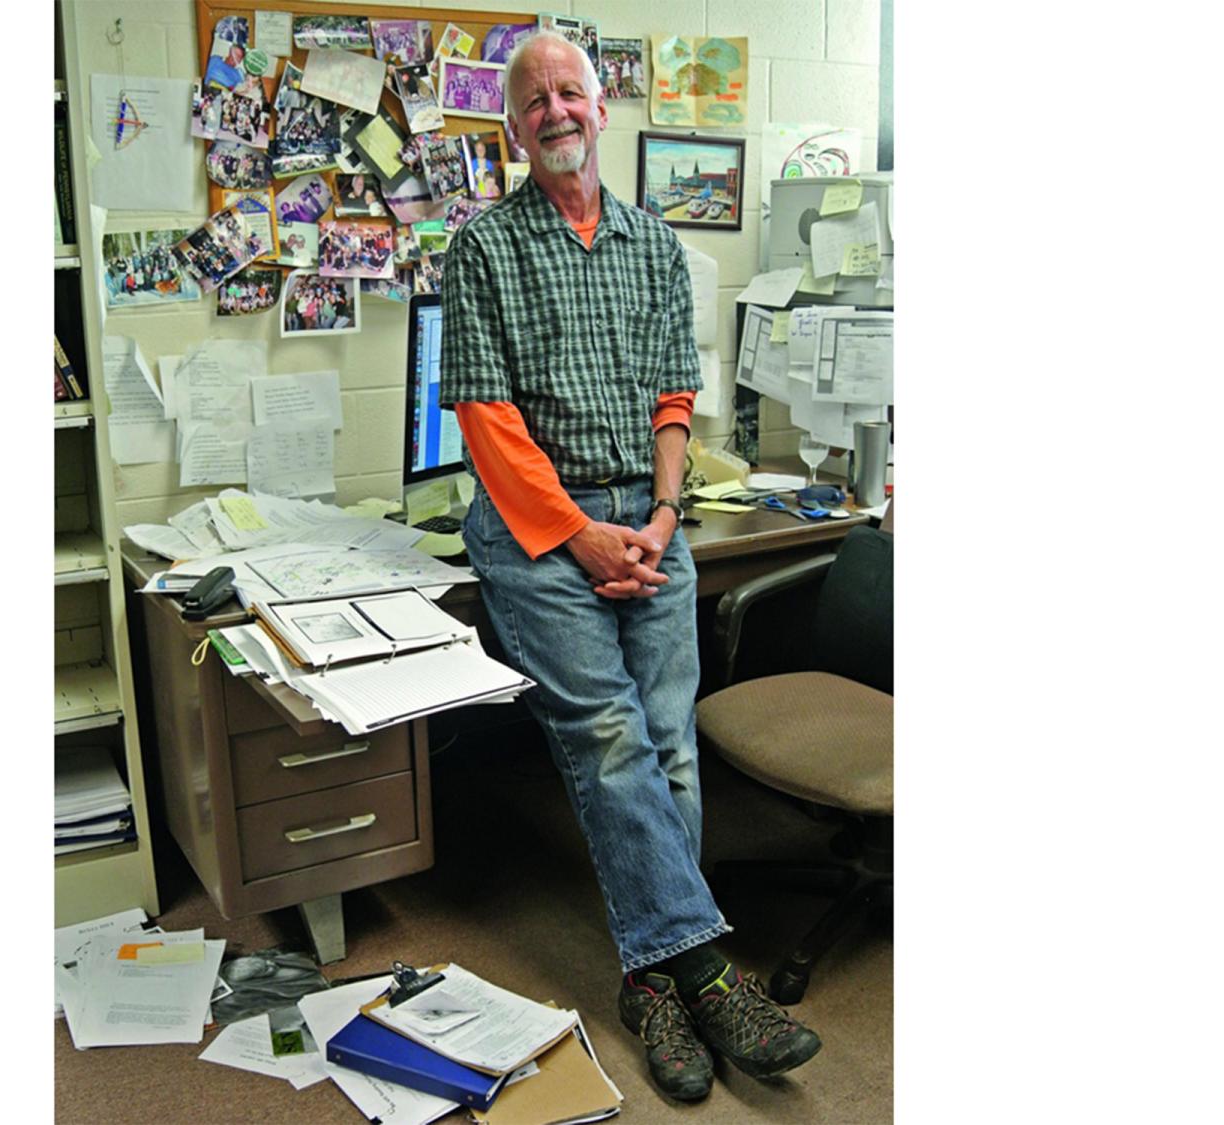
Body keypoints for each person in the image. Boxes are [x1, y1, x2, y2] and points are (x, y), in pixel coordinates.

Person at [439, 31, 823, 1105]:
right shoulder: (483, 250)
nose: (556, 111)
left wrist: (659, 514)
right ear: (512, 127)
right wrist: (582, 536)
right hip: (537, 533)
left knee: (672, 748)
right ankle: (705, 969)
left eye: (571, 92)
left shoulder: (659, 249)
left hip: (645, 521)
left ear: (601, 109)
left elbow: (672, 403)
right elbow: (488, 422)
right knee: (608, 736)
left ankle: (651, 985)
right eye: (534, 100)